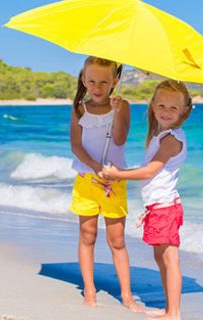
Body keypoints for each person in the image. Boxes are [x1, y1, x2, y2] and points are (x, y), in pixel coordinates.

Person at [102, 79, 192, 320]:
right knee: (160, 257)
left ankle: (174, 313)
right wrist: (119, 108)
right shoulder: (159, 135)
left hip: (166, 208)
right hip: (158, 207)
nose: (166, 112)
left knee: (169, 260)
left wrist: (117, 174)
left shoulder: (172, 139)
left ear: (184, 111)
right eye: (161, 106)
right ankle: (170, 307)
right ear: (152, 105)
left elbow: (150, 171)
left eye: (173, 108)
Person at [69, 56, 142, 312]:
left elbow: (120, 140)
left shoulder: (123, 106)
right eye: (91, 81)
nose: (97, 87)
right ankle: (89, 290)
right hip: (86, 180)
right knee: (87, 235)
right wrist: (95, 167)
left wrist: (118, 111)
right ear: (83, 80)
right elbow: (76, 146)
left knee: (117, 240)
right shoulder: (79, 107)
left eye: (103, 81)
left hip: (114, 182)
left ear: (115, 81)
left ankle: (127, 295)